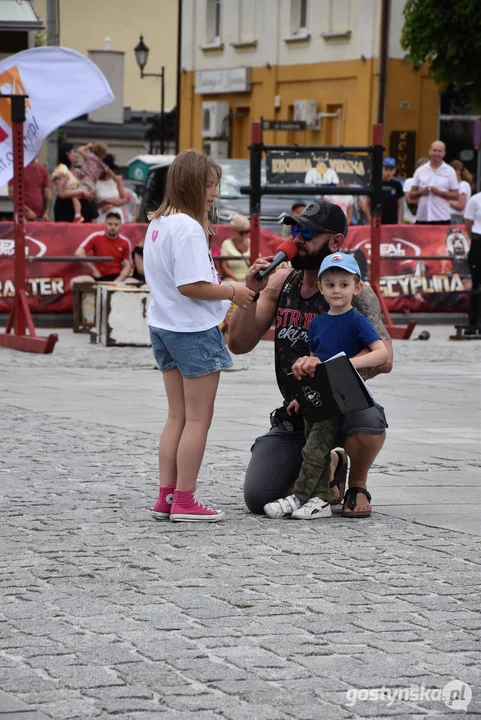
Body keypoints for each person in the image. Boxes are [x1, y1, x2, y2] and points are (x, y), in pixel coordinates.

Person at [228, 201, 393, 518]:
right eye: (294, 230)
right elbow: (238, 343)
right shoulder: (280, 283)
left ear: (335, 242)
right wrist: (250, 294)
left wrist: (323, 374)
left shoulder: (351, 291)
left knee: (370, 421)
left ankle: (356, 483)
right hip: (296, 409)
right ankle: (328, 464)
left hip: (341, 406)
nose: (297, 239)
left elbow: (384, 359)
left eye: (307, 233)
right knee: (258, 497)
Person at [145, 150, 255, 523]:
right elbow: (191, 285)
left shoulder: (158, 223)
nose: (213, 193)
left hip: (163, 325)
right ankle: (186, 499)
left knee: (176, 416)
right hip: (191, 329)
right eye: (209, 185)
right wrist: (232, 291)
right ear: (192, 184)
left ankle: (166, 496)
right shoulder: (189, 228)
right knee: (197, 420)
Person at [264, 252, 388, 520]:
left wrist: (348, 364)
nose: (337, 290)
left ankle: (305, 497)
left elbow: (381, 353)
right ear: (320, 287)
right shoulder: (318, 323)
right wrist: (301, 397)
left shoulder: (357, 320)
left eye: (344, 285)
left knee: (315, 446)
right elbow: (316, 368)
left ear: (357, 288)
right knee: (312, 441)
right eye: (330, 285)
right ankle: (318, 495)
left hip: (347, 393)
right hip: (321, 394)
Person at [70, 210, 132, 286]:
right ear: (105, 224)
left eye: (116, 224)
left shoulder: (125, 241)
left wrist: (118, 280)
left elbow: (127, 265)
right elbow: (78, 253)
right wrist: (94, 269)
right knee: (74, 283)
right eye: (110, 224)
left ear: (120, 225)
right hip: (98, 276)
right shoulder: (96, 236)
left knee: (136, 283)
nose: (113, 227)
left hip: (117, 277)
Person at [410, 141, 459, 224]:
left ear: (444, 153)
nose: (436, 153)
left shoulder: (450, 171)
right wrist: (421, 192)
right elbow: (411, 194)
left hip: (441, 218)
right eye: (434, 150)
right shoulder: (420, 170)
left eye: (439, 151)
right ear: (429, 151)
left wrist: (439, 193)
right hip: (422, 217)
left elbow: (456, 195)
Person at [52, 143, 98, 223]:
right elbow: (61, 193)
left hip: (84, 212)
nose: (77, 155)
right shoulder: (61, 170)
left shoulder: (79, 172)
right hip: (66, 210)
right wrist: (80, 191)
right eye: (74, 152)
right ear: (67, 154)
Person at [359, 158, 403, 225]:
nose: (388, 172)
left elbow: (399, 205)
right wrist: (370, 219)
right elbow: (367, 204)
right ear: (381, 169)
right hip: (377, 221)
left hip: (393, 222)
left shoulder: (397, 185)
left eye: (391, 169)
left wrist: (399, 220)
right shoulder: (375, 184)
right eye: (386, 169)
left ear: (394, 170)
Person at [7, 156, 52, 221]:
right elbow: (12, 194)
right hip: (22, 216)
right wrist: (26, 211)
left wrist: (47, 212)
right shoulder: (15, 169)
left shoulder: (42, 168)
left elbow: (47, 192)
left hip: (40, 216)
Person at [94, 153, 130, 224]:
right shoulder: (95, 182)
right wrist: (104, 202)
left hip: (116, 215)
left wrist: (112, 204)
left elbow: (124, 199)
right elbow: (93, 203)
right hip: (101, 215)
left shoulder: (116, 180)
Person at [463, 191, 481, 334]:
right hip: (478, 241)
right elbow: (468, 224)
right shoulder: (475, 200)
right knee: (476, 284)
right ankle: (473, 321)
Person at [219, 215, 251, 282]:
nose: (245, 235)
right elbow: (224, 266)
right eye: (241, 233)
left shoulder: (251, 243)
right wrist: (236, 279)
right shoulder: (226, 244)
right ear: (234, 231)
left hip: (250, 278)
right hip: (232, 279)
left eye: (247, 231)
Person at [402, 157, 428, 224]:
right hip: (409, 220)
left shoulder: (431, 183)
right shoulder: (409, 181)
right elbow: (410, 200)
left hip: (425, 220)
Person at [449, 160, 473, 225]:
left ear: (458, 171)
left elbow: (460, 206)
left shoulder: (463, 185)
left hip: (456, 219)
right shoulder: (454, 185)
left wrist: (446, 201)